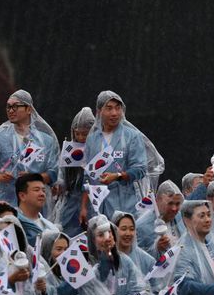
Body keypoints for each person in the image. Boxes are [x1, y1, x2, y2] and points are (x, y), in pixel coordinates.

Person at [0, 89, 59, 211]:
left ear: (29, 109)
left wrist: (33, 177)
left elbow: (53, 173)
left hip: (38, 210)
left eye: (15, 107)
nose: (10, 110)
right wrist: (0, 177)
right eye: (8, 107)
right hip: (7, 206)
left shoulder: (45, 140)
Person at [79, 91, 150, 222]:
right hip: (97, 207)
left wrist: (117, 176)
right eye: (109, 108)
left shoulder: (132, 136)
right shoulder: (92, 139)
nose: (114, 113)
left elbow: (140, 169)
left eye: (118, 108)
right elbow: (87, 176)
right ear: (99, 111)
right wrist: (83, 207)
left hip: (124, 205)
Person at [52, 107, 95, 236]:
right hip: (70, 205)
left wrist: (84, 206)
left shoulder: (98, 151)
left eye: (85, 134)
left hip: (92, 203)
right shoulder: (70, 151)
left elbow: (92, 182)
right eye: (77, 133)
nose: (81, 137)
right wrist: (58, 186)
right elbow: (62, 176)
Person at [136, 180, 185, 258]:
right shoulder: (142, 226)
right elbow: (138, 259)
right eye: (170, 203)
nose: (174, 208)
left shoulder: (180, 217)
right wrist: (156, 249)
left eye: (177, 204)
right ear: (157, 201)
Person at [111, 211, 157, 287]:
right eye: (123, 229)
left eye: (132, 229)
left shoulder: (148, 261)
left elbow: (156, 289)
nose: (128, 233)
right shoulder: (108, 259)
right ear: (114, 231)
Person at [16, 172, 57, 244]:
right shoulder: (11, 223)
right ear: (22, 196)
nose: (42, 194)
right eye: (36, 190)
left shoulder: (52, 229)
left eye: (43, 191)